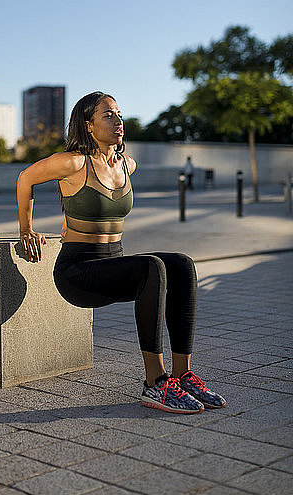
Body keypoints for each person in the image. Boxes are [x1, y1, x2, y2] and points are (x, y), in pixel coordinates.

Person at [17, 91, 226, 414]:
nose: (118, 121)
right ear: (88, 125)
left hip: (112, 263)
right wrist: (26, 229)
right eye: (108, 115)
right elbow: (25, 178)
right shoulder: (72, 162)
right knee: (152, 267)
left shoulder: (128, 164)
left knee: (181, 265)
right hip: (78, 272)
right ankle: (155, 384)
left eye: (119, 114)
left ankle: (182, 374)